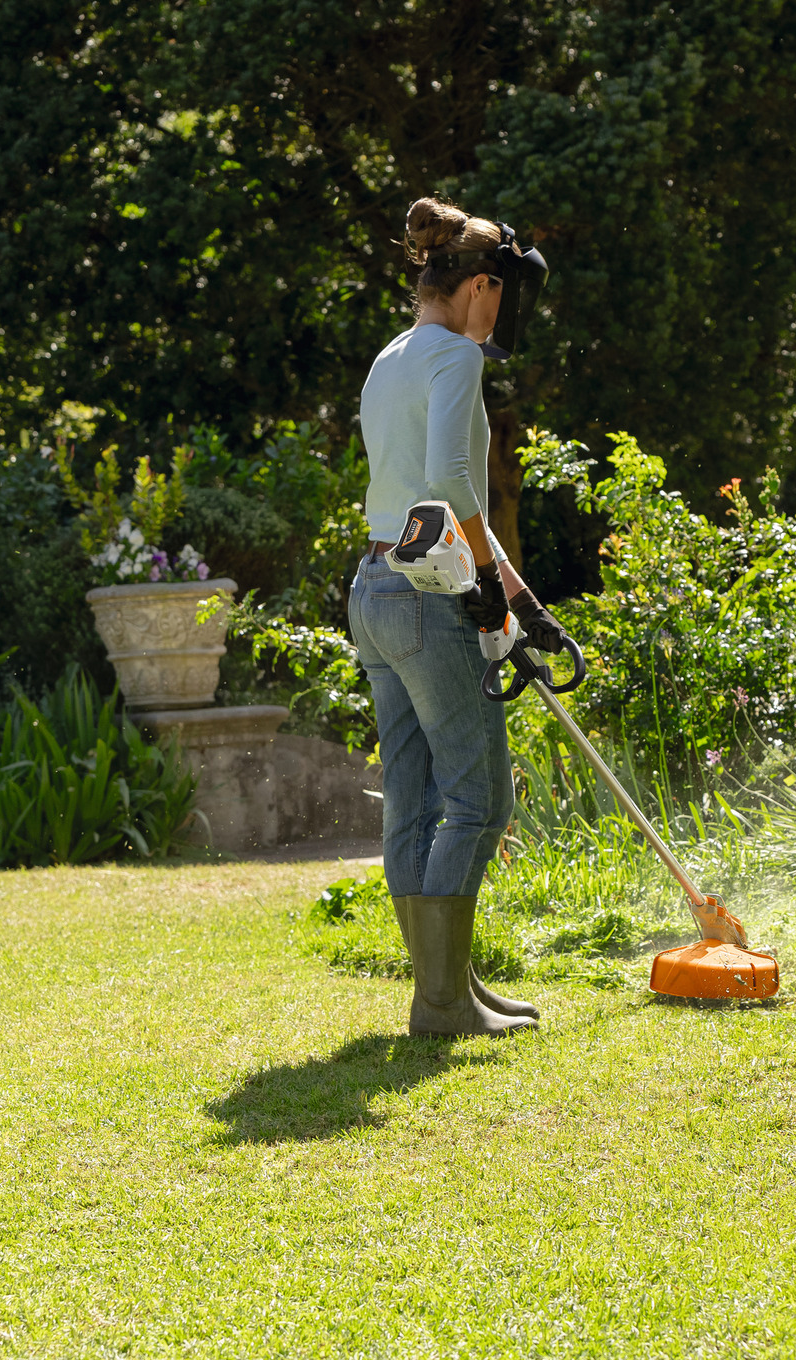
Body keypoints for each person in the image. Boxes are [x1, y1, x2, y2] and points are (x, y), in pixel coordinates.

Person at [348, 197, 568, 1037]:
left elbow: (421, 496)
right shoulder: (454, 356)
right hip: (428, 596)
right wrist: (480, 577)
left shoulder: (391, 357)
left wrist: (519, 598)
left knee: (409, 798)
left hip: (376, 589)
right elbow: (448, 477)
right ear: (482, 285)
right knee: (479, 800)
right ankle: (442, 1001)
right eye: (503, 295)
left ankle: (449, 985)